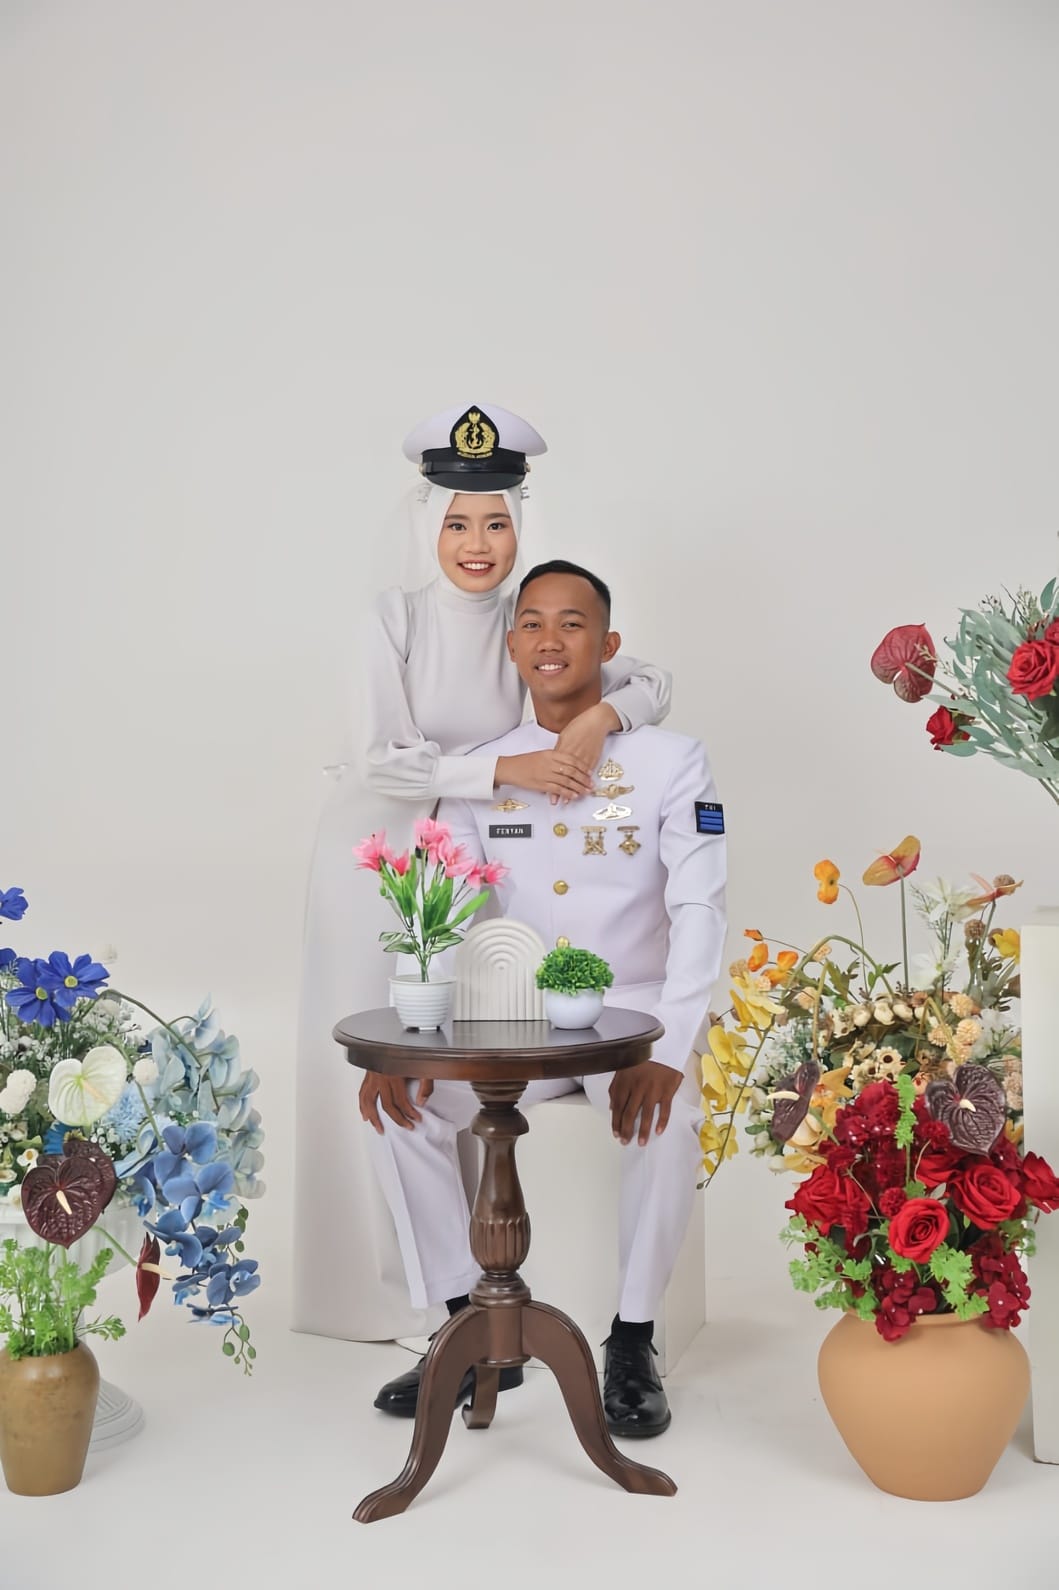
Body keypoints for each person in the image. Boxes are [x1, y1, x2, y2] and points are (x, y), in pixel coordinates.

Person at [292, 406, 674, 1342]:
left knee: (466, 1053)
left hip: (481, 864)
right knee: (383, 1068)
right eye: (458, 522)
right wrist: (508, 769)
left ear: (518, 525)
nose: (477, 543)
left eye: (496, 521)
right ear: (428, 525)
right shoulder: (393, 619)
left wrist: (598, 720)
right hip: (376, 867)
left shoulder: (526, 620)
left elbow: (651, 683)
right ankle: (408, 1305)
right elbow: (383, 760)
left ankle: (475, 1298)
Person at [360, 559, 726, 1437]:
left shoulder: (670, 760)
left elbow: (698, 907)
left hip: (631, 1015)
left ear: (607, 643)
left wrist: (672, 1044)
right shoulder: (486, 770)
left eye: (571, 623)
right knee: (398, 1108)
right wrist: (409, 1038)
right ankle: (468, 1327)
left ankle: (631, 1339)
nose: (549, 639)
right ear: (511, 646)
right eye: (530, 623)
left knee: (670, 1120)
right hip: (514, 1015)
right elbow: (440, 910)